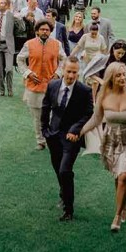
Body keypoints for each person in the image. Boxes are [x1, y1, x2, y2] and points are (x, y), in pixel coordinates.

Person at [79, 62, 126, 232]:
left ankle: (117, 215)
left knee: (124, 176)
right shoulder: (104, 96)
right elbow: (96, 119)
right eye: (118, 75)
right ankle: (124, 206)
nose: (122, 78)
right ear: (111, 78)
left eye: (124, 74)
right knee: (118, 176)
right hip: (112, 139)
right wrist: (80, 132)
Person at [41, 56, 93, 222]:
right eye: (69, 71)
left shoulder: (84, 91)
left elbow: (88, 113)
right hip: (53, 135)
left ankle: (68, 209)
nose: (71, 75)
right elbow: (45, 107)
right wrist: (44, 130)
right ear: (62, 70)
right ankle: (64, 193)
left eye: (75, 72)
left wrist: (75, 129)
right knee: (58, 170)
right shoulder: (52, 85)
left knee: (65, 171)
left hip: (71, 138)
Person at [16, 20, 67, 150]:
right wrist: (28, 73)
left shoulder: (56, 44)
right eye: (42, 29)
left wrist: (58, 73)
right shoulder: (29, 44)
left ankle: (52, 138)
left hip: (52, 87)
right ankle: (41, 141)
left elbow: (64, 59)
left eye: (47, 30)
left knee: (52, 115)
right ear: (37, 31)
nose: (45, 32)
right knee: (37, 117)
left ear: (50, 31)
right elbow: (20, 59)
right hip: (34, 86)